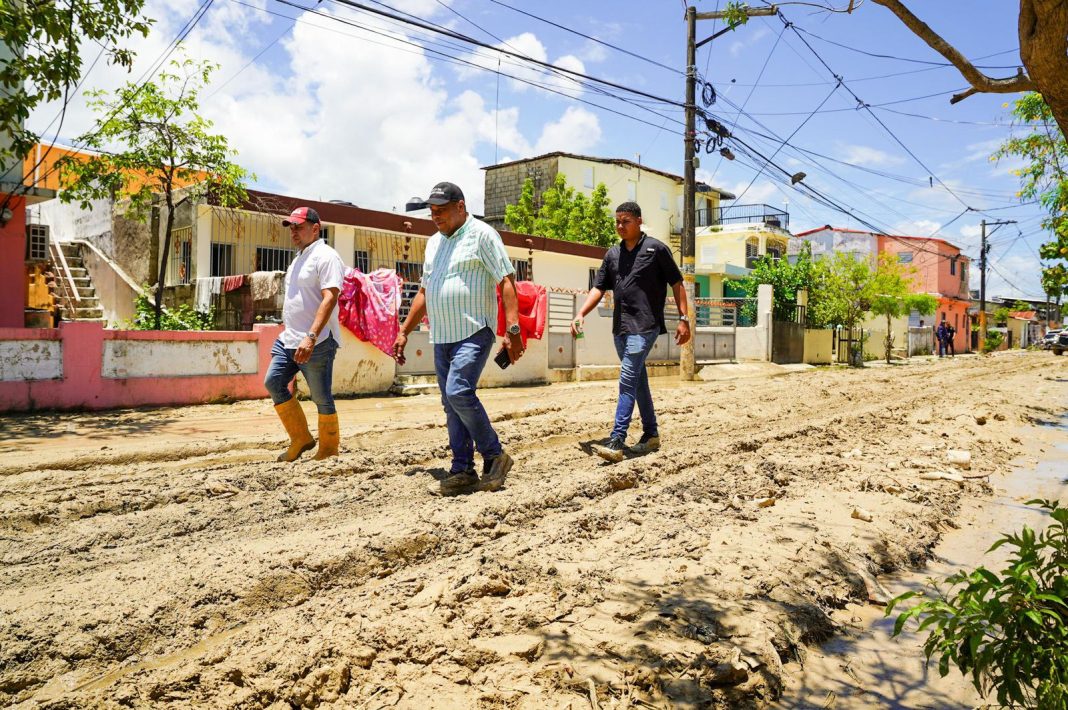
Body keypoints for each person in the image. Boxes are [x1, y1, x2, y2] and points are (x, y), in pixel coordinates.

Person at [393, 182, 524, 495]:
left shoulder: (482, 234)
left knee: (458, 392)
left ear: (461, 206)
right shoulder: (433, 243)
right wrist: (403, 331)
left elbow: (506, 280)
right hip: (442, 335)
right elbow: (424, 292)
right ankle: (462, 469)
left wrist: (513, 330)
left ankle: (495, 456)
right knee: (451, 403)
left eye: (441, 210)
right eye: (432, 211)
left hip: (474, 330)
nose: (435, 216)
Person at [571, 201, 691, 463]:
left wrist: (684, 318)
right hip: (621, 328)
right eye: (617, 221)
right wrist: (581, 313)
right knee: (637, 381)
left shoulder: (656, 249)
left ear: (638, 220)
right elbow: (599, 287)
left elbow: (677, 284)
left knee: (626, 378)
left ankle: (617, 439)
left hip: (645, 325)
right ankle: (651, 435)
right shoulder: (612, 255)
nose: (620, 226)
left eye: (625, 221)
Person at [264, 206, 346, 461]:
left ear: (315, 228)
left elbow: (330, 297)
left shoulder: (326, 256)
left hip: (317, 341)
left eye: (299, 227)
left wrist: (310, 336)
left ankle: (329, 450)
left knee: (321, 398)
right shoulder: (299, 257)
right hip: (289, 338)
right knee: (273, 382)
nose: (294, 232)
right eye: (291, 227)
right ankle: (301, 439)